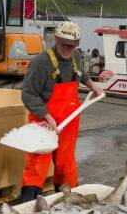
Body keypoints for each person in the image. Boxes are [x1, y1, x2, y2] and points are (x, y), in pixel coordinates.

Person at [20, 21, 104, 202]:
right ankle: (27, 205)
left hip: (69, 121)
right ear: (56, 40)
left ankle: (66, 200)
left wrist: (92, 86)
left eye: (72, 46)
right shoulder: (41, 63)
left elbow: (81, 74)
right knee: (37, 165)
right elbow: (28, 95)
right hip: (43, 123)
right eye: (64, 45)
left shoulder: (76, 57)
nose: (67, 49)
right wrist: (48, 117)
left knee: (66, 165)